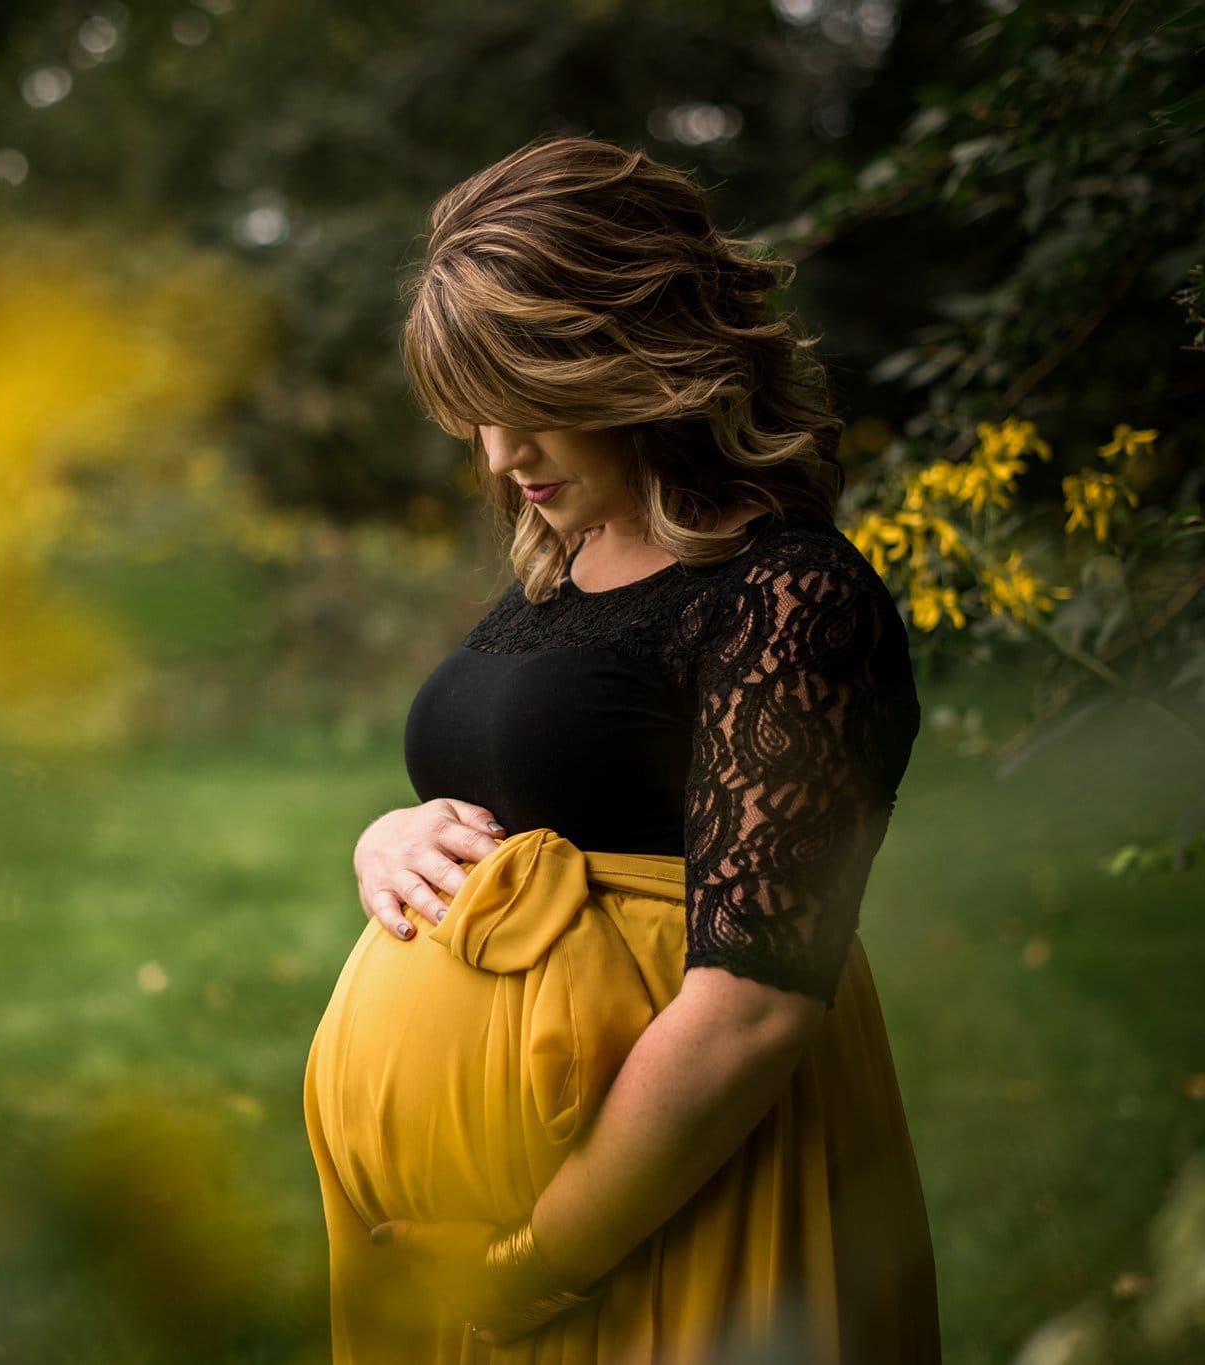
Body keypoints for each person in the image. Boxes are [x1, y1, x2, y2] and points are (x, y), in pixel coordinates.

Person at [301, 135, 942, 1363]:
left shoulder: (791, 595)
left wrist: (527, 1268)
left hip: (660, 1228)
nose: (497, 457)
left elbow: (754, 1007)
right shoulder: (563, 567)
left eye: (524, 404)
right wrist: (389, 836)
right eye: (473, 415)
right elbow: (510, 789)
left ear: (637, 355)